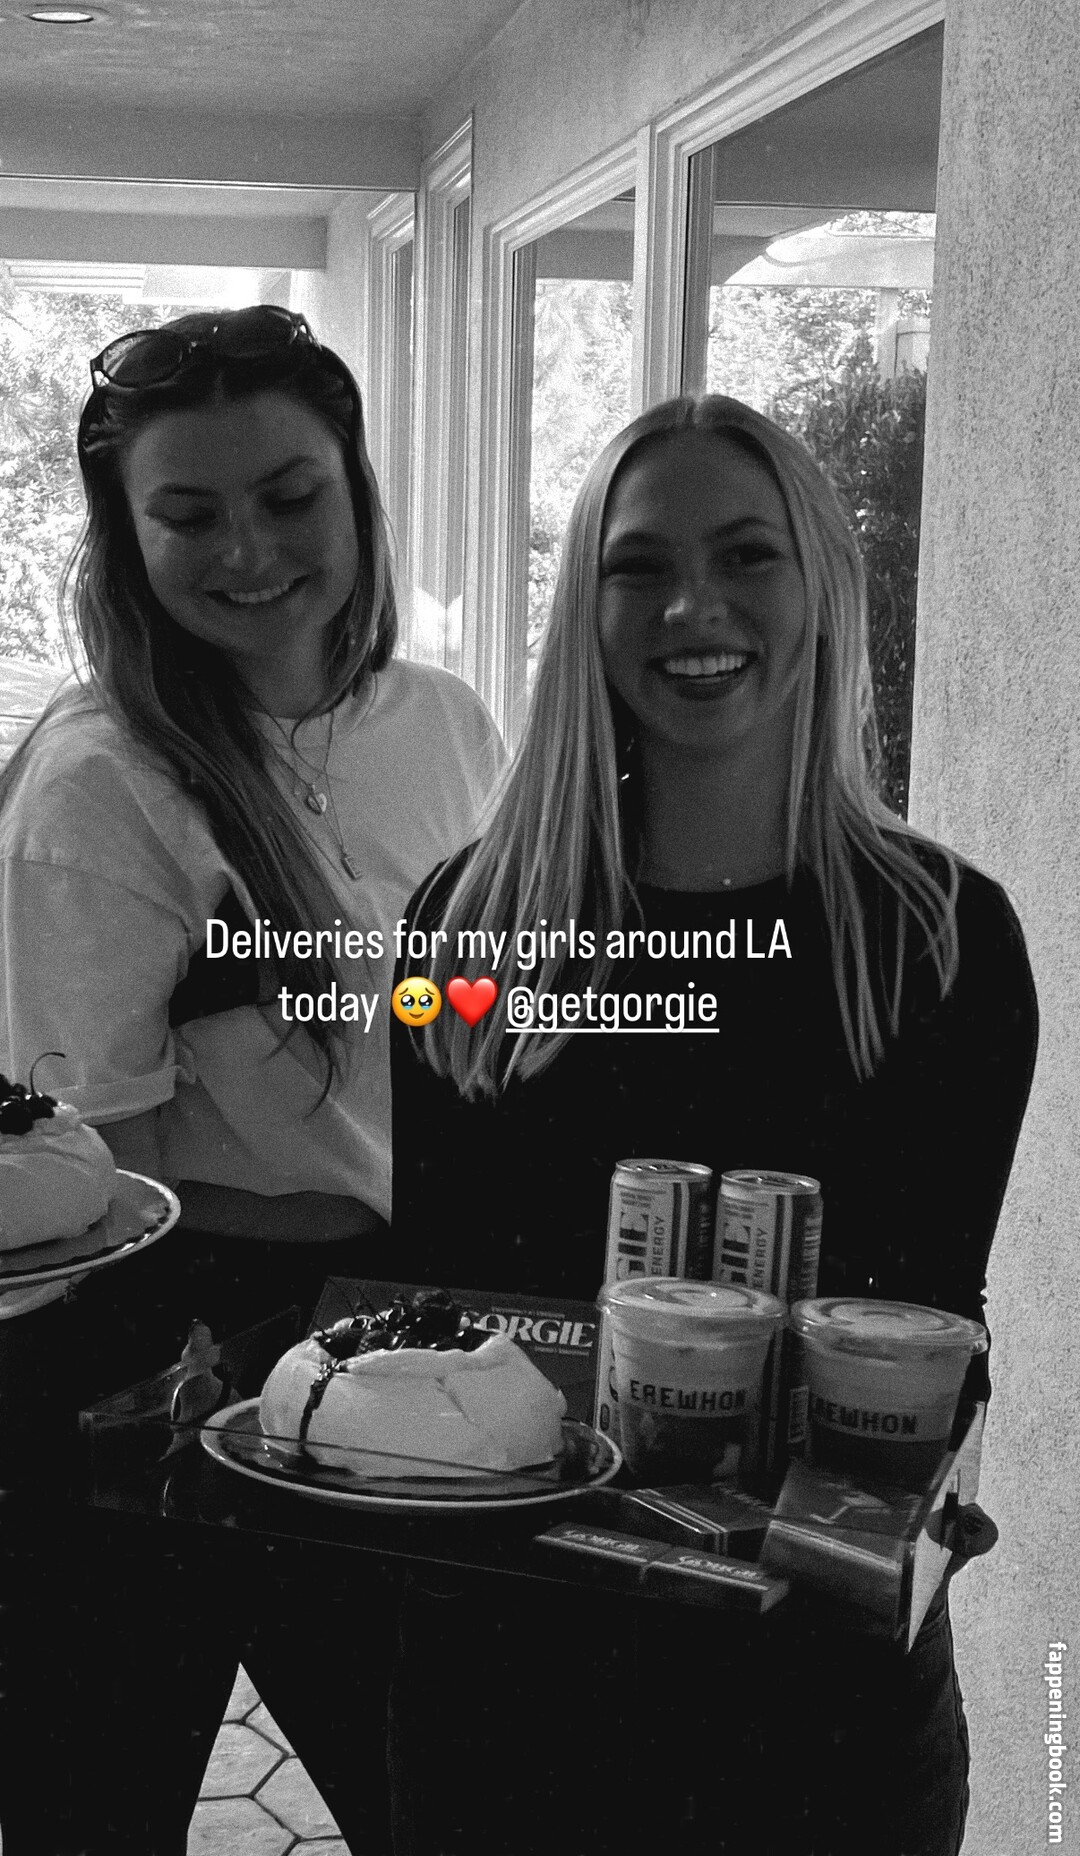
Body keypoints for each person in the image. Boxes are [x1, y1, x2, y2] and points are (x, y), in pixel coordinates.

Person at [386, 395, 1039, 1855]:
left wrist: (923, 1481)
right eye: (639, 566)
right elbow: (436, 1303)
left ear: (821, 586)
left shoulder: (941, 941)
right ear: (585, 605)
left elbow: (939, 1316)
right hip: (510, 1685)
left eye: (747, 555)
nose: (693, 608)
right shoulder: (471, 925)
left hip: (819, 1700)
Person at [0, 305, 503, 1855]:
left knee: (441, 1793)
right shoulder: (97, 789)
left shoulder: (448, 723)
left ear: (354, 488)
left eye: (289, 496)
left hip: (412, 1320)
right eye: (190, 513)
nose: (250, 551)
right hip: (158, 1355)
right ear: (126, 537)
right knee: (101, 1807)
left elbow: (479, 1024)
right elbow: (77, 1196)